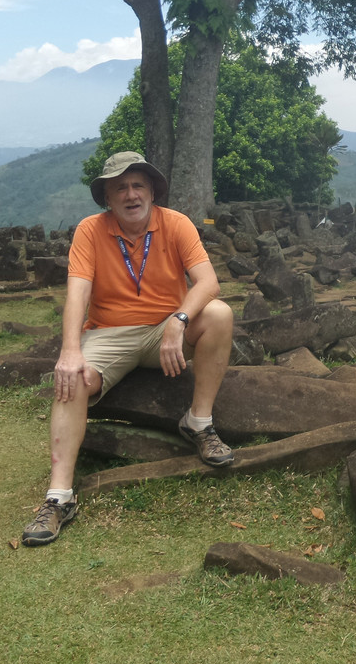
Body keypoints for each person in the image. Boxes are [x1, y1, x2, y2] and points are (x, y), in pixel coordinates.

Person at [22, 151, 236, 546]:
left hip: (165, 332)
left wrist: (179, 319)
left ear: (152, 190)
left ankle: (198, 422)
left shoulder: (176, 224)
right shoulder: (90, 230)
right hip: (109, 333)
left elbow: (208, 283)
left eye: (138, 184)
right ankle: (59, 496)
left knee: (219, 314)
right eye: (119, 187)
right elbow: (77, 294)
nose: (131, 194)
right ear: (107, 198)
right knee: (73, 378)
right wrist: (69, 351)